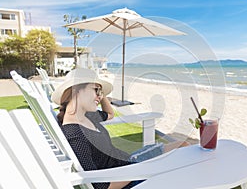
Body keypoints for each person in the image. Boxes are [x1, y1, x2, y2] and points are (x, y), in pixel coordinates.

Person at [51, 68, 189, 189]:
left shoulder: (88, 116)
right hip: (128, 174)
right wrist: (139, 169)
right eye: (96, 90)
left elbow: (110, 114)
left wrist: (101, 95)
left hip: (130, 162)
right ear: (76, 90)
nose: (100, 96)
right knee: (179, 161)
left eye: (100, 91)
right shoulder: (75, 135)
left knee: (183, 145)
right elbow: (100, 186)